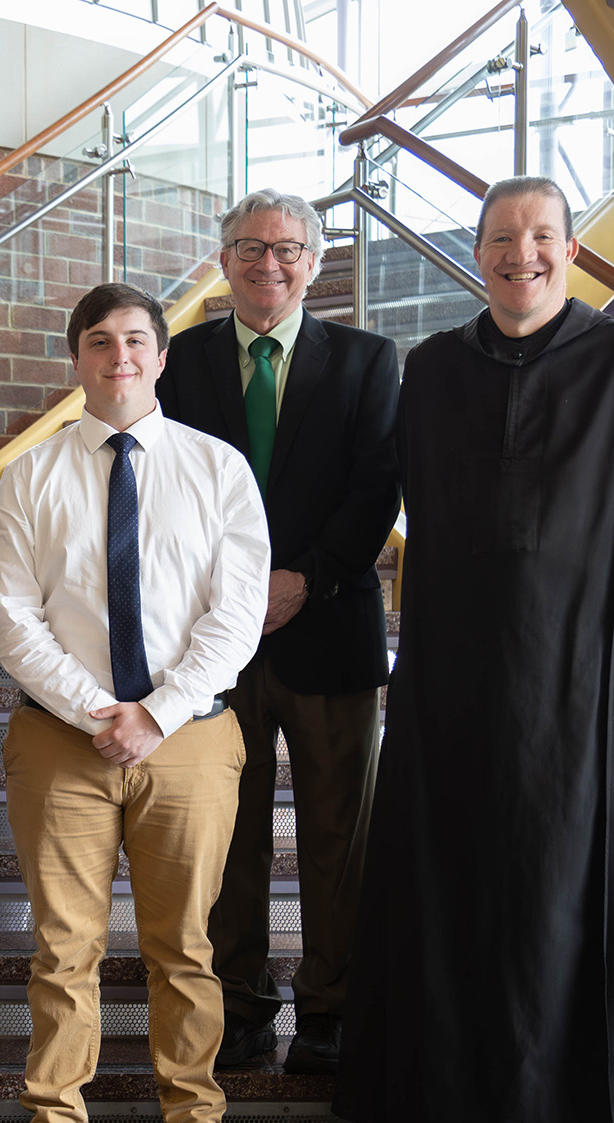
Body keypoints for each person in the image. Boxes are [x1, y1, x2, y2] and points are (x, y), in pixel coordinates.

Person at [332, 176, 614, 1123]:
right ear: (479, 253)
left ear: (570, 251)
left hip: (583, 675)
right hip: (449, 674)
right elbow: (390, 499)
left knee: (567, 903)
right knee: (448, 896)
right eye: (502, 238)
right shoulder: (434, 366)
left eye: (541, 236)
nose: (521, 254)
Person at [0, 282, 271, 1123]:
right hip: (63, 740)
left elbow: (237, 613)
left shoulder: (218, 467)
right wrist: (97, 709)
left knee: (184, 945)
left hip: (187, 737)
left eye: (137, 340)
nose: (120, 357)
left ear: (161, 355)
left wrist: (160, 709)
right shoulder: (31, 474)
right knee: (65, 946)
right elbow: (11, 617)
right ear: (78, 358)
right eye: (101, 341)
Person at [156, 189, 400, 1075]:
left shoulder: (369, 361)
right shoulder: (177, 363)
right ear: (223, 262)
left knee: (341, 831)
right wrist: (231, 591)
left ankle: (332, 1009)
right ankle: (244, 1004)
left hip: (328, 624)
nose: (270, 263)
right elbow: (167, 488)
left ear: (317, 260)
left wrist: (307, 576)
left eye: (289, 248)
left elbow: (378, 484)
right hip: (212, 639)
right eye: (250, 247)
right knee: (228, 830)